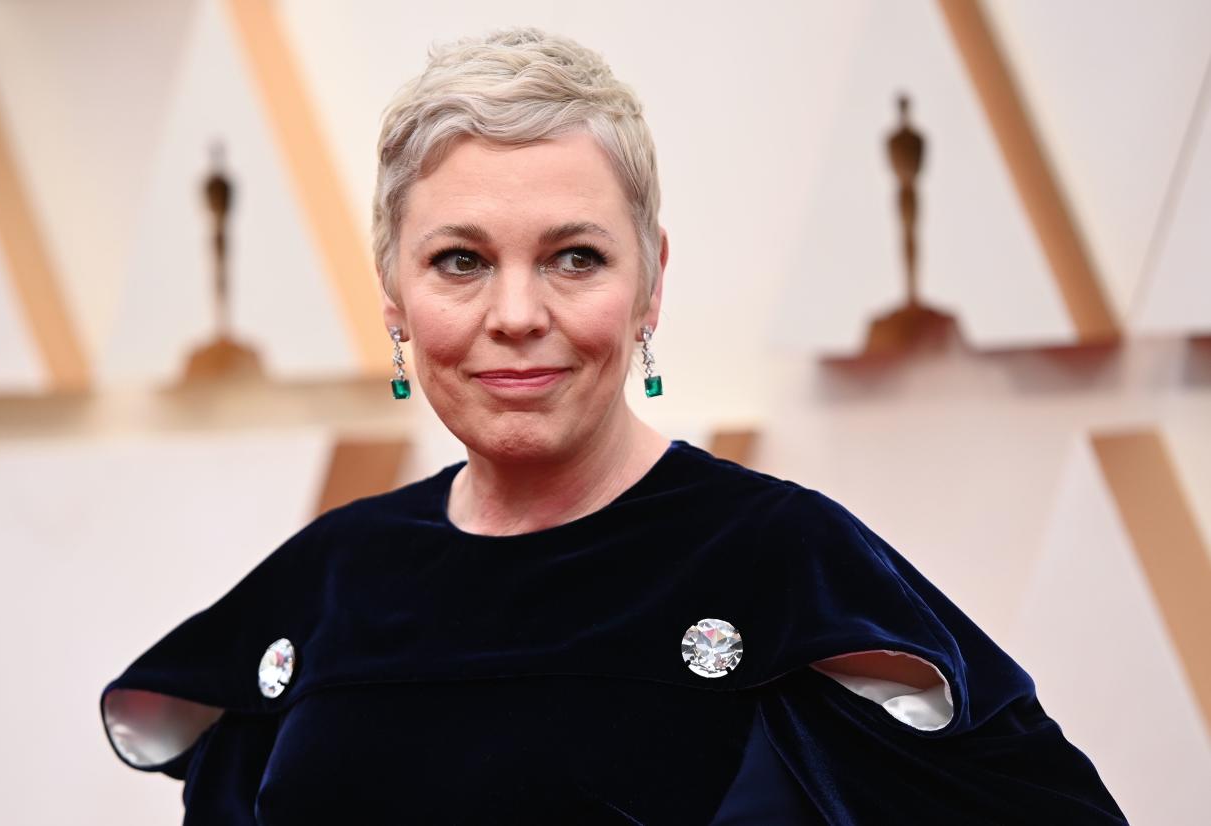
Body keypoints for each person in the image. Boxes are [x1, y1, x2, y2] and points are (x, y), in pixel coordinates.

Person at [101, 28, 1126, 824]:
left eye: (573, 257)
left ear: (650, 285)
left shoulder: (781, 562)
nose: (515, 313)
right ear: (393, 298)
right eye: (460, 259)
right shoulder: (327, 579)